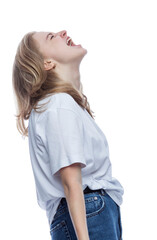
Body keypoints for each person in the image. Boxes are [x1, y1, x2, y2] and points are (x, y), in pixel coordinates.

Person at [12, 29, 124, 240]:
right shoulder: (58, 105)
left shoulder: (61, 104)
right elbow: (71, 182)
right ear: (47, 63)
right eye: (51, 37)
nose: (62, 32)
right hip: (89, 210)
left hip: (93, 209)